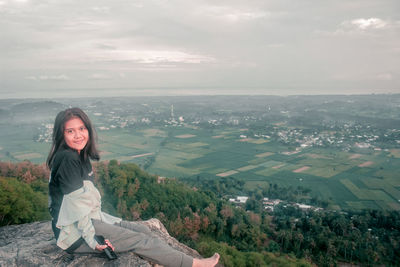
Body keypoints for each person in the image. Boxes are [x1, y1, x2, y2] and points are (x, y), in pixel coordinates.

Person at [47, 107, 219, 267]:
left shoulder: (79, 155)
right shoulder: (68, 159)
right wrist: (93, 240)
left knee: (142, 229)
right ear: (61, 135)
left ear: (88, 130)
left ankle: (164, 257)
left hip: (91, 218)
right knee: (141, 240)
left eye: (82, 129)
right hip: (75, 234)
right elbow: (77, 209)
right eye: (70, 131)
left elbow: (84, 201)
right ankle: (194, 264)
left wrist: (107, 222)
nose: (78, 135)